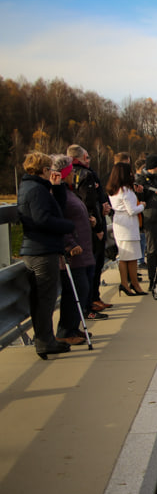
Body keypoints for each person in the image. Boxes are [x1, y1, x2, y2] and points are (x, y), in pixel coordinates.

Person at [17, 152, 76, 359]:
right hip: (42, 250)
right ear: (43, 170)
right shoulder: (37, 191)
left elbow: (56, 210)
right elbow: (43, 220)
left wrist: (58, 188)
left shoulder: (31, 187)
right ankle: (45, 341)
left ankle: (46, 339)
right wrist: (69, 226)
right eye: (50, 169)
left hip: (37, 249)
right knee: (45, 298)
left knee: (43, 298)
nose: (53, 172)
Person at [53, 155, 96, 344]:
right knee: (76, 290)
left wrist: (90, 219)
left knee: (82, 288)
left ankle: (73, 327)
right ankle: (65, 331)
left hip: (83, 247)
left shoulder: (69, 191)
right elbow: (60, 220)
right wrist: (69, 243)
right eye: (71, 172)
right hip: (74, 250)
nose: (74, 175)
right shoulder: (59, 193)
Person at [67, 144, 112, 313]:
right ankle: (91, 301)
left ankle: (93, 299)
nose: (89, 160)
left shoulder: (77, 176)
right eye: (88, 157)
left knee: (91, 266)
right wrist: (99, 225)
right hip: (91, 226)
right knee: (94, 264)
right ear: (80, 158)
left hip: (85, 225)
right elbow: (89, 202)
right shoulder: (86, 175)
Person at [106, 162, 147, 295]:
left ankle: (125, 283)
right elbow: (132, 210)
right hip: (128, 225)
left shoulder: (113, 189)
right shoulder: (126, 191)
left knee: (124, 257)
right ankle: (134, 283)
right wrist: (142, 205)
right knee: (132, 257)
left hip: (119, 222)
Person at [135, 154, 157, 292]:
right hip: (150, 218)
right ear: (155, 166)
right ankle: (152, 279)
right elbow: (140, 199)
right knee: (151, 250)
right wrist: (141, 193)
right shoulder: (142, 181)